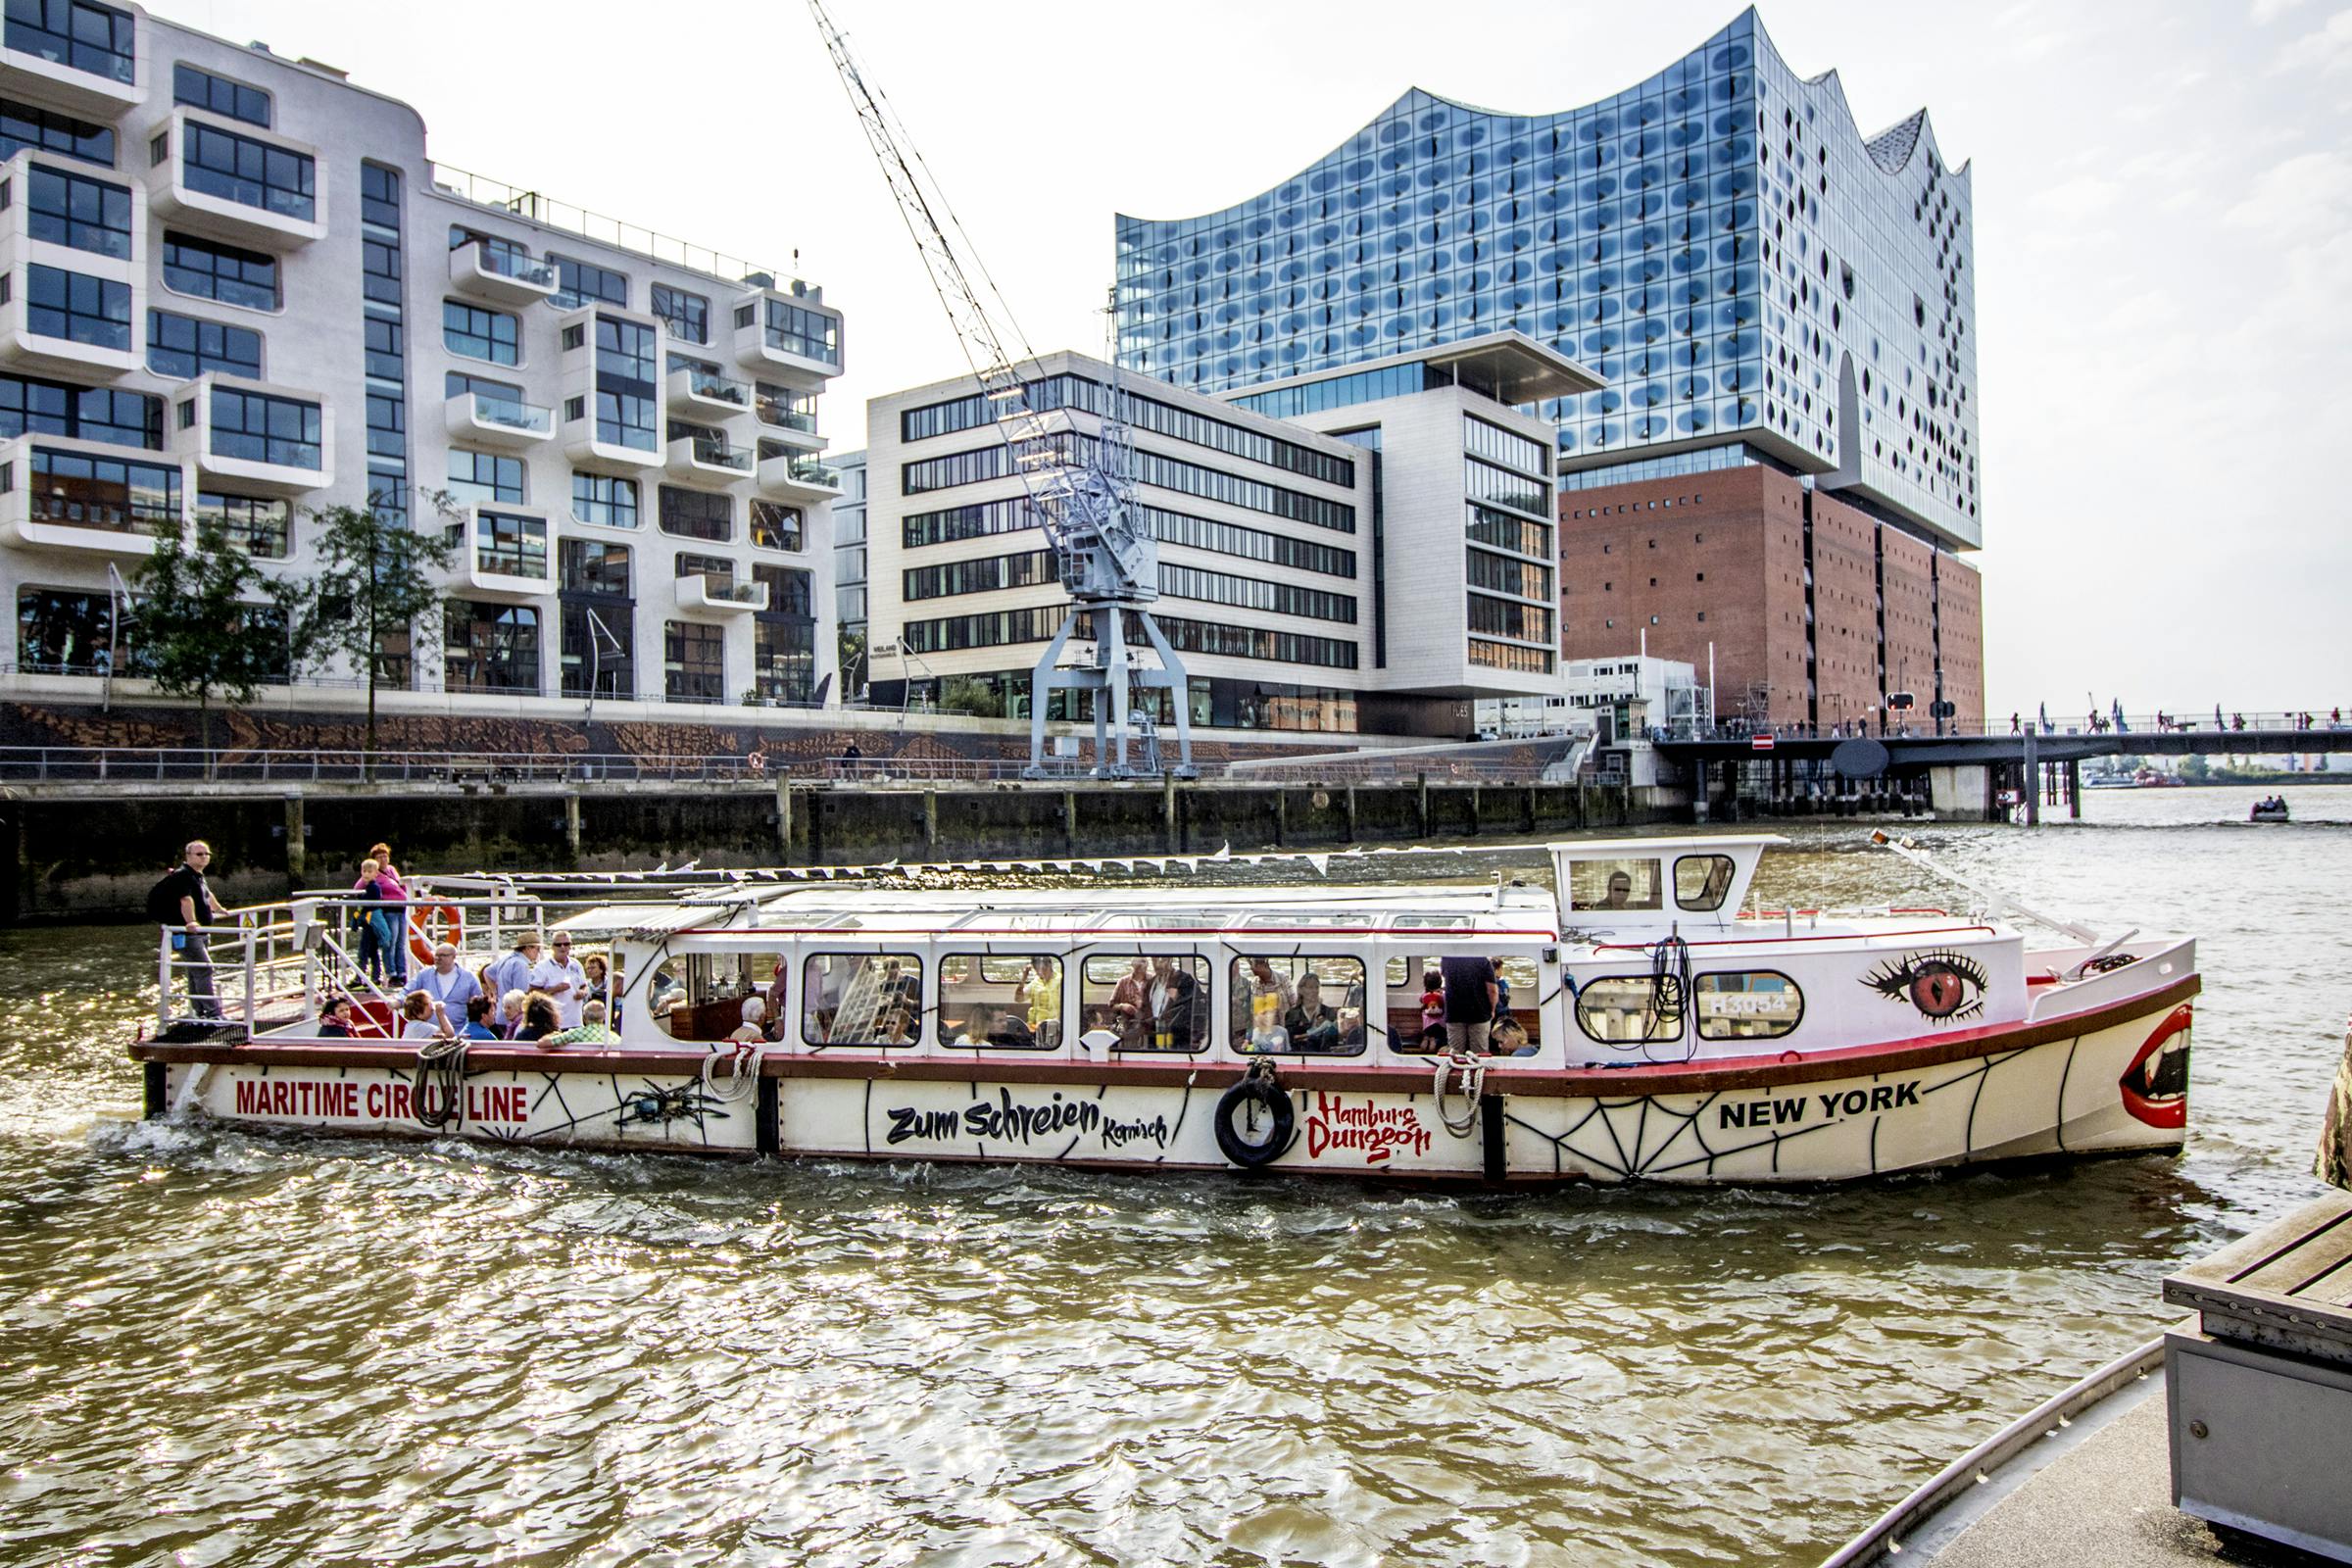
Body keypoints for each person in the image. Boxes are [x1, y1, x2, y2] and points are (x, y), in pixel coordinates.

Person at [154, 840, 227, 1019]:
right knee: (204, 969)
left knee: (196, 971)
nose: (204, 857)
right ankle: (213, 1013)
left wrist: (219, 909)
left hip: (201, 933)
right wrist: (191, 922)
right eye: (199, 854)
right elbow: (186, 900)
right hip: (187, 934)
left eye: (207, 854)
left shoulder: (197, 875)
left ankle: (199, 1011)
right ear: (188, 856)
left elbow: (206, 895)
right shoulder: (183, 876)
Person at [1440, 953, 1498, 1054]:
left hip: (1454, 1012)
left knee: (1455, 1053)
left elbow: (1444, 975)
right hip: (1479, 1012)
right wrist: (1492, 1009)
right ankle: (1478, 1070)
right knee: (1479, 1054)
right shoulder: (1483, 960)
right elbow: (1492, 990)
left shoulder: (1447, 958)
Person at [412, 942, 481, 1023]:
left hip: (460, 1030)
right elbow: (407, 991)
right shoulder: (424, 975)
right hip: (430, 1031)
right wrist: (396, 1001)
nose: (438, 958)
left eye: (442, 955)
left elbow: (479, 1004)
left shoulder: (469, 977)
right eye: (436, 955)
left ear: (454, 957)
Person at [532, 932, 589, 1030]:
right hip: (554, 1024)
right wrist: (555, 989)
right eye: (558, 944)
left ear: (570, 946)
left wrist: (583, 992)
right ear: (552, 947)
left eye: (566, 944)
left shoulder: (576, 964)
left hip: (576, 1022)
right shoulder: (542, 967)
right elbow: (532, 993)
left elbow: (584, 985)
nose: (562, 947)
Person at [1146, 956, 1202, 1050]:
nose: (1158, 964)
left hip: (1176, 1034)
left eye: (1162, 960)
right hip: (1154, 1031)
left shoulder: (1184, 979)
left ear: (1170, 960)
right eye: (1154, 960)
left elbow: (1196, 1006)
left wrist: (1177, 997)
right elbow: (1145, 1006)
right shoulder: (1151, 983)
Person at [1285, 973, 1340, 1052]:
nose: (1314, 991)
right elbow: (1290, 1041)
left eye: (1316, 987)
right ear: (1301, 990)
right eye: (1310, 987)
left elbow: (1333, 1040)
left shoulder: (1329, 1012)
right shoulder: (1292, 1014)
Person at [484, 934, 539, 1009]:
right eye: (537, 949)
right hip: (514, 1013)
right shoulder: (521, 965)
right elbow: (522, 994)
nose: (538, 952)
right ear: (528, 948)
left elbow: (487, 972)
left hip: (501, 1008)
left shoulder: (506, 958)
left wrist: (495, 992)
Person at [1017, 956, 1061, 1046]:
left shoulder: (1061, 981)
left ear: (1049, 966)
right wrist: (1023, 978)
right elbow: (1018, 999)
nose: (1040, 973)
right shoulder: (1036, 981)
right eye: (1037, 971)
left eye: (1043, 970)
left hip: (1054, 1026)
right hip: (1035, 1026)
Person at [545, 1001, 618, 1049]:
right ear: (604, 1017)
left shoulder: (576, 1033)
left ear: (584, 1017)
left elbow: (542, 1044)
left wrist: (553, 1035)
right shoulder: (615, 1038)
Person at [1109, 958, 1151, 1036]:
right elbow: (1112, 1005)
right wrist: (1123, 1006)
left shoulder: (1153, 980)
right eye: (1138, 967)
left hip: (1148, 1021)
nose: (1140, 970)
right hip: (1127, 1022)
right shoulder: (1123, 981)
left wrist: (1144, 1004)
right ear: (1132, 966)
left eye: (1143, 966)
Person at [1418, 968, 1446, 1049]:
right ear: (1440, 983)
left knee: (1427, 1035)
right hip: (1440, 1025)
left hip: (1427, 1025)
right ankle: (1433, 1043)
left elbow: (1421, 1000)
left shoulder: (1424, 995)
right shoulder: (1442, 995)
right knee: (1437, 1037)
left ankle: (1426, 1039)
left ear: (1425, 984)